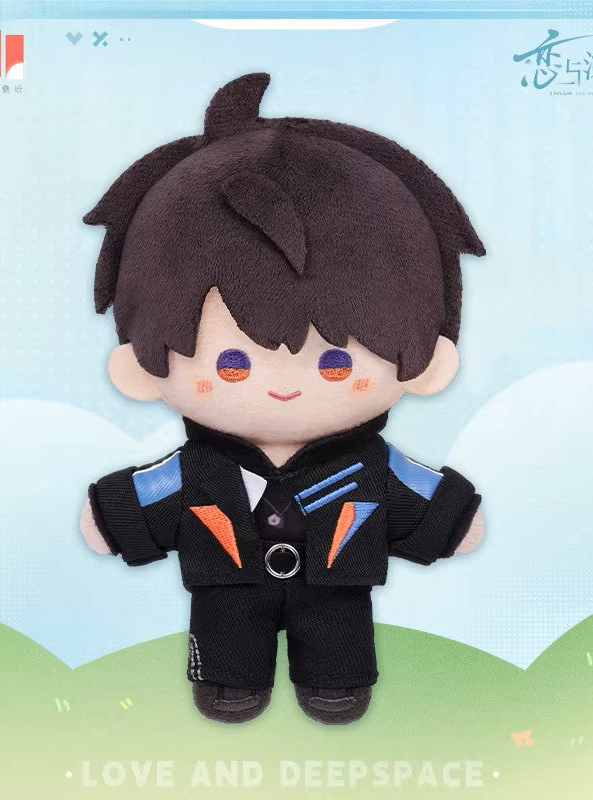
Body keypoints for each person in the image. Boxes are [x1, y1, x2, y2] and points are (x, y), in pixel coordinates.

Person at [79, 73, 486, 724]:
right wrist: (113, 515)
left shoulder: (370, 468)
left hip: (336, 591)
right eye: (232, 362)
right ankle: (228, 677)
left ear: (424, 357)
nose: (284, 383)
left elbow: (422, 493)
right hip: (227, 591)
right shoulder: (196, 471)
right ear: (142, 363)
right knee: (225, 635)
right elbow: (147, 494)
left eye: (336, 362)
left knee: (339, 639)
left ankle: (336, 678)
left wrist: (452, 517)